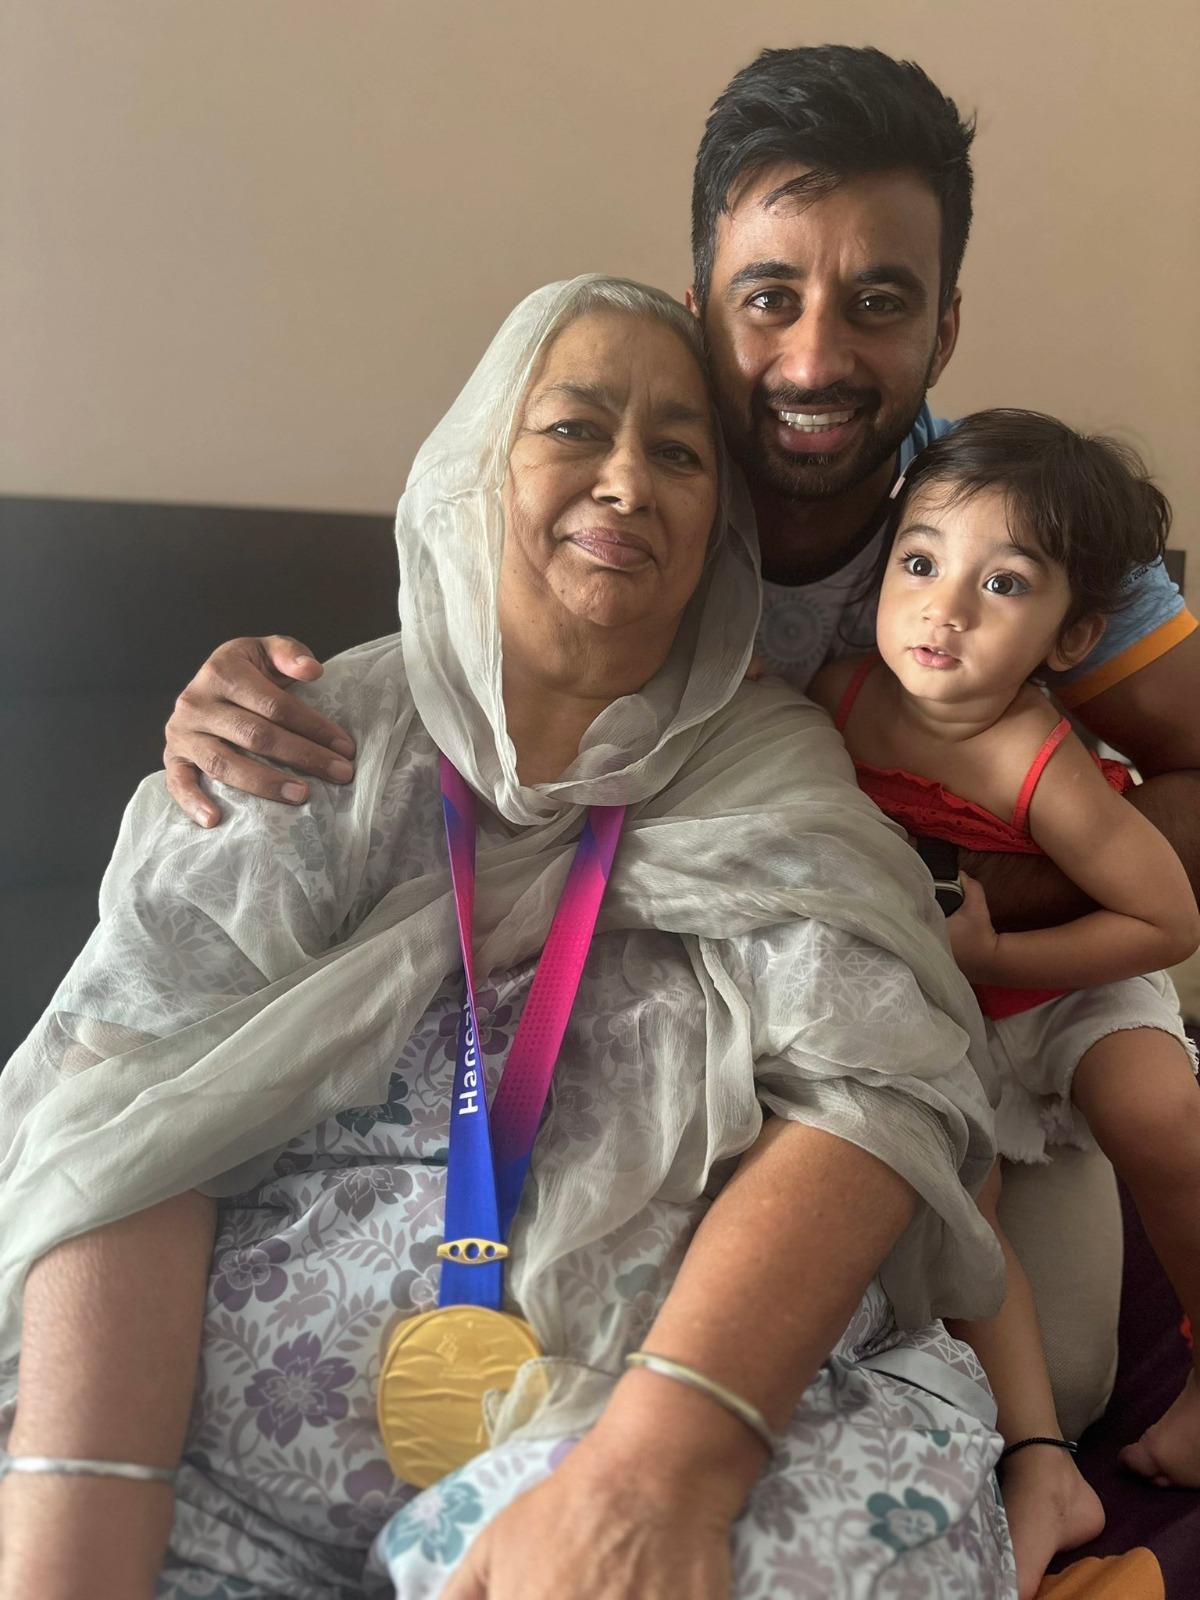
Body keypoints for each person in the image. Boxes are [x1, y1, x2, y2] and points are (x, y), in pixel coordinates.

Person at [157, 45, 1200, 1440]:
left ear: (945, 330)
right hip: (716, 1006)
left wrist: (980, 908)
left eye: (878, 303)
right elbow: (462, 706)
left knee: (1056, 1366)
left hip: (1003, 994)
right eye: (770, 299)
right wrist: (245, 688)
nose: (817, 358)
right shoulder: (628, 497)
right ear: (704, 300)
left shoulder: (1026, 532)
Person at [0, 278, 1011, 1600]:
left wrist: (655, 1477)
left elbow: (876, 1096)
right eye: (575, 429)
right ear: (479, 465)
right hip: (216, 1481)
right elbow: (126, 1111)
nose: (627, 484)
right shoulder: (304, 737)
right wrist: (90, 1522)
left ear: (721, 527)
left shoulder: (770, 778)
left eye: (680, 453)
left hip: (620, 1454)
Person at [810, 408, 1200, 1599]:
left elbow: (1169, 922)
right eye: (921, 563)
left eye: (1004, 583)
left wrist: (1002, 952)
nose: (946, 609)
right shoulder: (835, 697)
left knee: (1156, 1109)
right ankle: (1044, 1464)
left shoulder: (1044, 759)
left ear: (1071, 633)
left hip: (1072, 969)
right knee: (959, 1198)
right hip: (953, 1012)